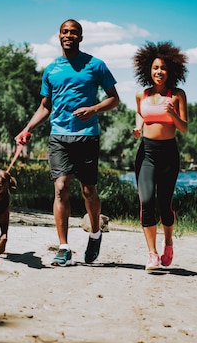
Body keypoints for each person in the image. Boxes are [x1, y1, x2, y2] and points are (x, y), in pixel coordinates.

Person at [15, 19, 120, 266]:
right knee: (61, 187)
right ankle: (64, 247)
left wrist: (93, 109)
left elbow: (114, 99)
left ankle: (95, 233)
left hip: (87, 136)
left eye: (74, 32)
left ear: (80, 37)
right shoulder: (51, 69)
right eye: (65, 32)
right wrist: (27, 128)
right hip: (59, 136)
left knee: (88, 190)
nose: (69, 35)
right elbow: (45, 106)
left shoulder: (96, 65)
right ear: (59, 35)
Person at [132, 41, 188, 270]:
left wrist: (173, 113)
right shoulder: (141, 95)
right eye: (155, 68)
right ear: (148, 70)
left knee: (165, 204)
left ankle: (169, 243)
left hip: (168, 154)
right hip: (146, 153)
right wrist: (137, 128)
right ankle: (152, 254)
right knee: (146, 201)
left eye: (163, 68)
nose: (158, 72)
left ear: (170, 70)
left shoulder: (177, 95)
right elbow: (140, 114)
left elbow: (183, 127)